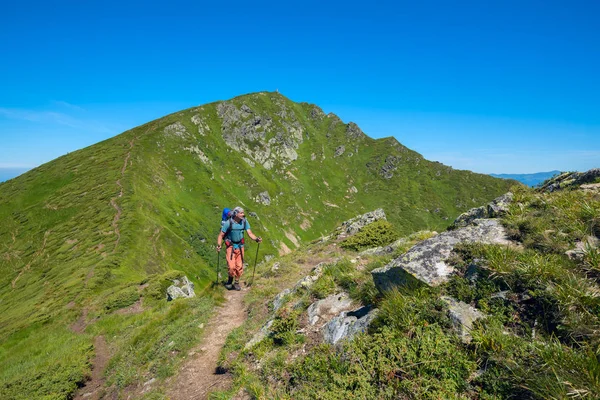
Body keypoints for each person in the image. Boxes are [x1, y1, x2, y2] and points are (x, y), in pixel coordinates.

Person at [216, 206, 262, 290]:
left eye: (243, 213)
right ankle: (230, 281)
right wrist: (219, 245)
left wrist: (256, 239)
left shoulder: (244, 222)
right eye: (241, 213)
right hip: (230, 246)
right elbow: (221, 235)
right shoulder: (228, 223)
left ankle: (236, 282)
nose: (243, 214)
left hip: (240, 246)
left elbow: (250, 233)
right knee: (231, 266)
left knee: (239, 266)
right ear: (236, 214)